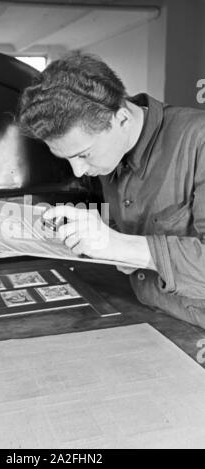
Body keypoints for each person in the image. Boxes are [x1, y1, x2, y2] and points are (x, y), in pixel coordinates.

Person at [17, 51, 205, 329]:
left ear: (122, 120)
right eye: (67, 158)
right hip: (154, 314)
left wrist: (117, 245)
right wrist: (104, 242)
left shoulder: (198, 141)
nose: (79, 171)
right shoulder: (110, 154)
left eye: (84, 154)